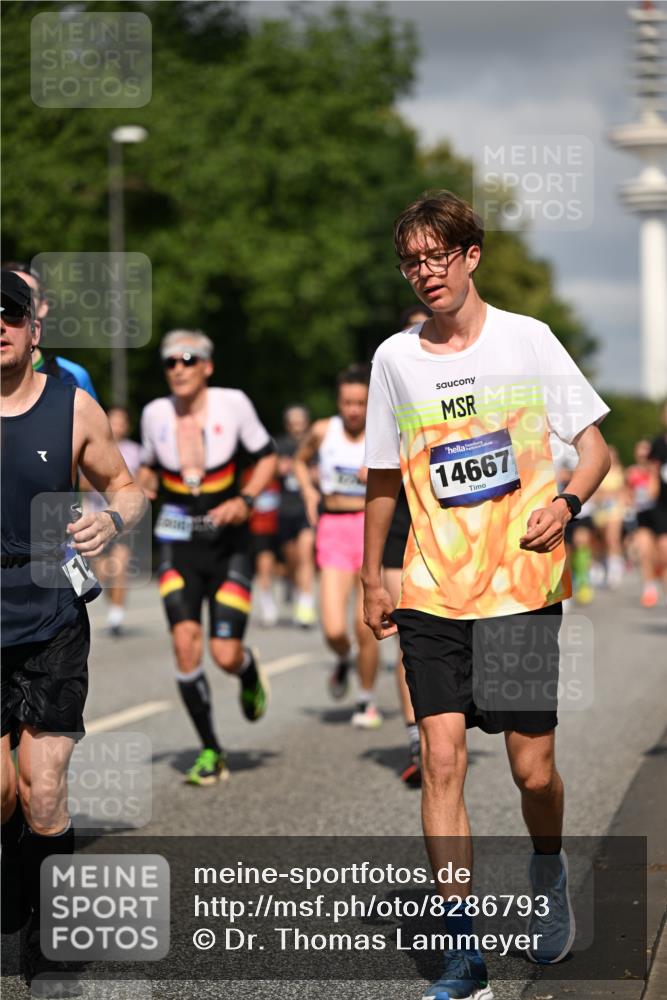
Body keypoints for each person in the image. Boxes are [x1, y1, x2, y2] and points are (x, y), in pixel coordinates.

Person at [361, 191, 610, 1000]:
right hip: (432, 589)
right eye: (411, 261)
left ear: (470, 256)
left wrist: (565, 503)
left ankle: (547, 871)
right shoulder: (394, 359)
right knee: (439, 759)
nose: (425, 272)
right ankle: (462, 957)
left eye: (438, 256)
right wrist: (371, 574)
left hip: (519, 586)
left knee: (532, 773)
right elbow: (382, 477)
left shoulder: (526, 340)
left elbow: (595, 450)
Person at [0, 270, 146, 992]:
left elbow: (128, 486)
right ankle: (15, 869)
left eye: (10, 314)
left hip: (52, 612)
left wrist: (112, 519)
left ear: (35, 328)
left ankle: (49, 948)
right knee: (4, 796)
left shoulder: (71, 405)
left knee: (45, 788)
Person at [137, 329, 277, 785]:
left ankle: (247, 670)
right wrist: (143, 483)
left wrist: (246, 499)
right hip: (177, 542)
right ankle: (211, 749)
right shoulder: (154, 413)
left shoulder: (233, 404)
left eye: (188, 359)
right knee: (184, 642)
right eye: (170, 362)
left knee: (224, 653)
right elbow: (148, 467)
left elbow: (268, 458)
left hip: (228, 544)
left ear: (207, 366)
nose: (178, 368)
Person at [294, 364, 382, 728]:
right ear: (338, 401)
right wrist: (309, 492)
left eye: (361, 403)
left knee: (366, 626)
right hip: (332, 527)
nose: (354, 410)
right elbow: (300, 461)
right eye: (348, 402)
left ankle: (366, 700)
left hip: (371, 529)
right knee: (333, 628)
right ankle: (344, 658)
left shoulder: (382, 432)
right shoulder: (322, 430)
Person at [382, 305, 432, 786]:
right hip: (402, 523)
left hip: (463, 529)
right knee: (409, 635)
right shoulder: (389, 381)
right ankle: (419, 737)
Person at [83, 406, 143, 636]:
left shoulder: (135, 451)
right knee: (103, 573)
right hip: (96, 519)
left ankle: (116, 616)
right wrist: (104, 482)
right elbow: (82, 482)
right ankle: (113, 606)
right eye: (113, 421)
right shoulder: (93, 446)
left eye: (121, 422)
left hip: (123, 520)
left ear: (127, 426)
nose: (117, 426)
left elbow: (140, 482)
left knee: (120, 566)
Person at [2, 262, 98, 399]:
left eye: (27, 293)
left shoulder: (73, 376)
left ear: (43, 306)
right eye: (7, 297)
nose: (17, 301)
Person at [276, 404, 317, 627]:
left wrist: (307, 472)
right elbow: (273, 470)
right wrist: (279, 468)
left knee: (305, 555)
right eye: (293, 421)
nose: (297, 425)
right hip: (286, 508)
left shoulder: (313, 444)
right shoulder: (280, 445)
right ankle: (292, 584)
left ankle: (306, 604)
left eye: (300, 420)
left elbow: (320, 473)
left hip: (306, 508)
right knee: (291, 558)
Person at [625, 438, 660, 607]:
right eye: (640, 450)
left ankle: (657, 575)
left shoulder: (659, 470)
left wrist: (653, 474)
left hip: (660, 516)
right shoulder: (632, 472)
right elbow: (626, 494)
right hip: (642, 516)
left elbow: (654, 493)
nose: (643, 454)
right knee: (644, 550)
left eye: (646, 450)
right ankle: (649, 588)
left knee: (660, 554)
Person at [644, 402, 667, 601]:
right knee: (663, 547)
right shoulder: (658, 444)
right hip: (662, 505)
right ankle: (655, 578)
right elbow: (652, 471)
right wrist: (650, 492)